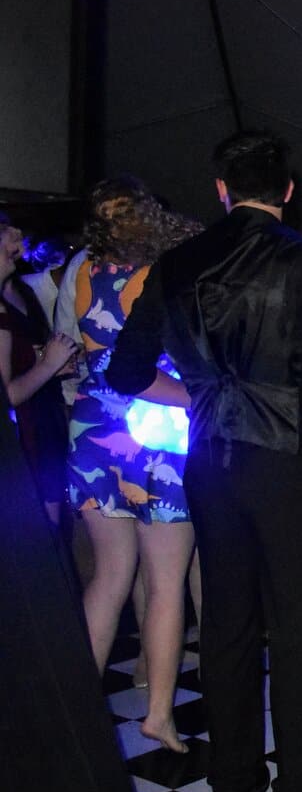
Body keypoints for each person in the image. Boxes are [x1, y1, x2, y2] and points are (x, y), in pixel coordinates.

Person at [107, 130, 302, 792]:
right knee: (300, 626)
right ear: (287, 191)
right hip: (288, 463)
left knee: (227, 622)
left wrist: (200, 393)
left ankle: (233, 784)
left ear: (222, 190)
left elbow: (126, 373)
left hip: (213, 464)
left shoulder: (176, 264)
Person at [67, 180, 199, 753]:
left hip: (93, 428)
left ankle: (76, 706)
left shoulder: (82, 269)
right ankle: (159, 715)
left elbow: (83, 344)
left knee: (109, 576)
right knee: (167, 581)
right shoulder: (164, 270)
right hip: (157, 429)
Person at [0, 222, 74, 521]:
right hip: (23, 435)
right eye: (9, 237)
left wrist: (48, 363)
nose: (18, 250)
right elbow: (6, 396)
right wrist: (48, 365)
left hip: (43, 420)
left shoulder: (21, 291)